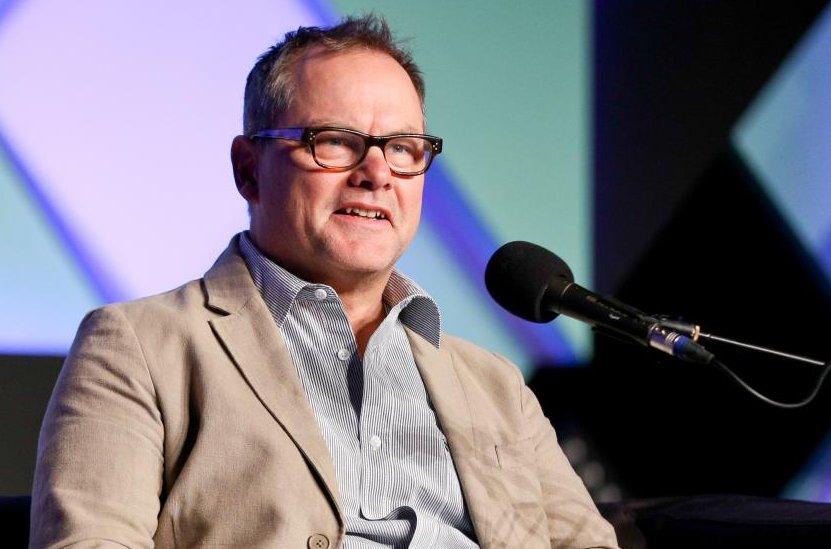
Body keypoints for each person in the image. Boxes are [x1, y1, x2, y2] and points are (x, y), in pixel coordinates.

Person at [30, 15, 619, 549]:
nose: (377, 173)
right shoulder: (139, 345)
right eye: (336, 141)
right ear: (248, 169)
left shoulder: (495, 383)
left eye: (403, 148)